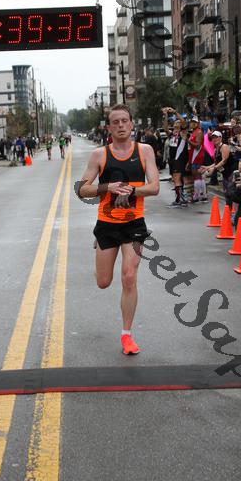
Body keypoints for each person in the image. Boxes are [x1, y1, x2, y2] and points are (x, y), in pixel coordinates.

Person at [77, 104, 159, 355]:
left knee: (129, 277)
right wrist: (107, 188)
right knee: (103, 282)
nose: (121, 125)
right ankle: (100, 246)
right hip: (107, 224)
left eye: (125, 121)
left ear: (132, 124)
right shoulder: (99, 155)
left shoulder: (145, 151)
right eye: (116, 122)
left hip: (134, 224)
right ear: (109, 127)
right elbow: (82, 189)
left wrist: (133, 191)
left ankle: (127, 335)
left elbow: (154, 187)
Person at [201, 130, 238, 206]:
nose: (214, 139)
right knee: (226, 192)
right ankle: (229, 210)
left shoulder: (224, 146)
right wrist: (207, 167)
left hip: (231, 171)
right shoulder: (215, 150)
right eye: (213, 138)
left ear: (221, 138)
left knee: (231, 192)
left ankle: (235, 210)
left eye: (216, 137)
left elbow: (224, 160)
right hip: (225, 173)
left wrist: (214, 168)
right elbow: (216, 162)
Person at [187, 117, 207, 203]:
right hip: (194, 156)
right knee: (199, 176)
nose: (192, 123)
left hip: (197, 156)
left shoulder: (198, 132)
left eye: (194, 122)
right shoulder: (194, 132)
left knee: (196, 176)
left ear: (198, 123)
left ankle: (196, 196)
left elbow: (198, 146)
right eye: (191, 122)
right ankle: (203, 195)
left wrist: (188, 140)